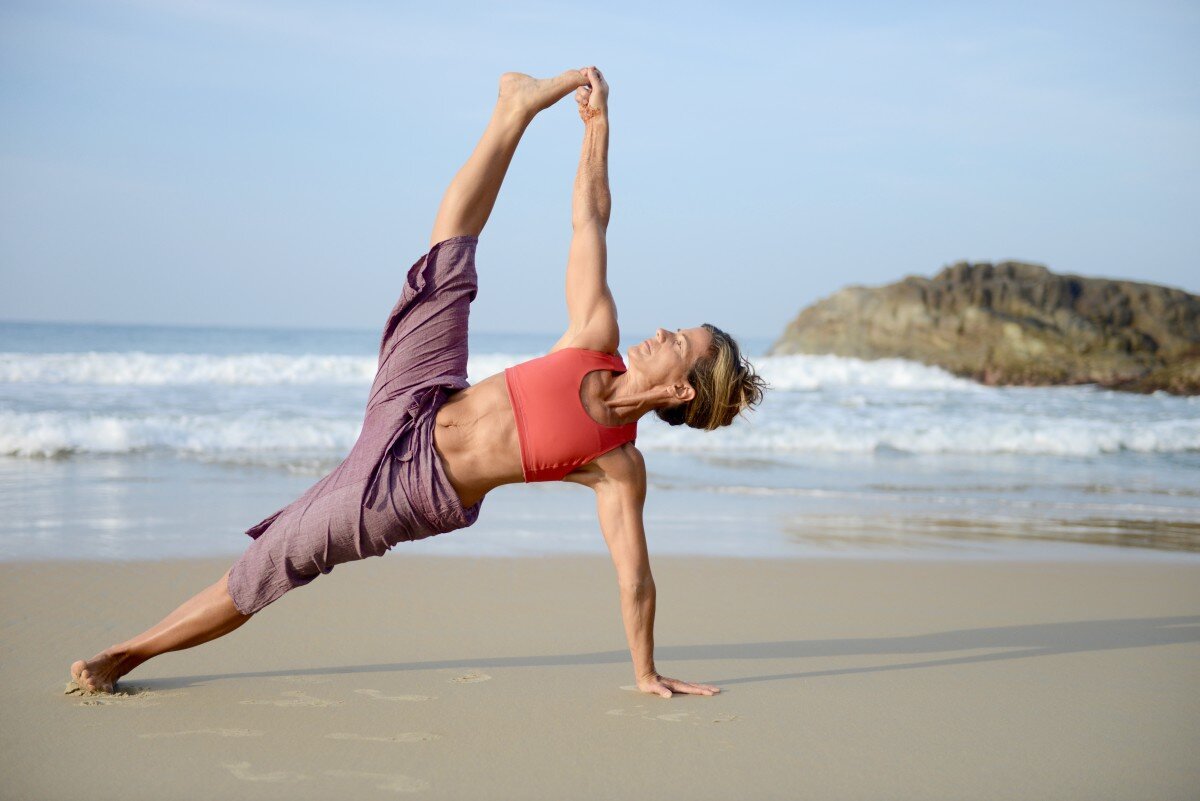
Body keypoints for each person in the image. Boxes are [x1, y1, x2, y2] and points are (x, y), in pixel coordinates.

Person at [69, 67, 765, 700]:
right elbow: (591, 218)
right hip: (422, 395)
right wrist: (597, 127)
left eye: (679, 344)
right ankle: (514, 109)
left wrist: (644, 670)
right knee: (446, 259)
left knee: (272, 561)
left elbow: (634, 577)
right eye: (675, 328)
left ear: (682, 391)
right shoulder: (594, 336)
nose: (662, 332)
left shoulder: (615, 464)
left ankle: (126, 655)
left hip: (411, 489)